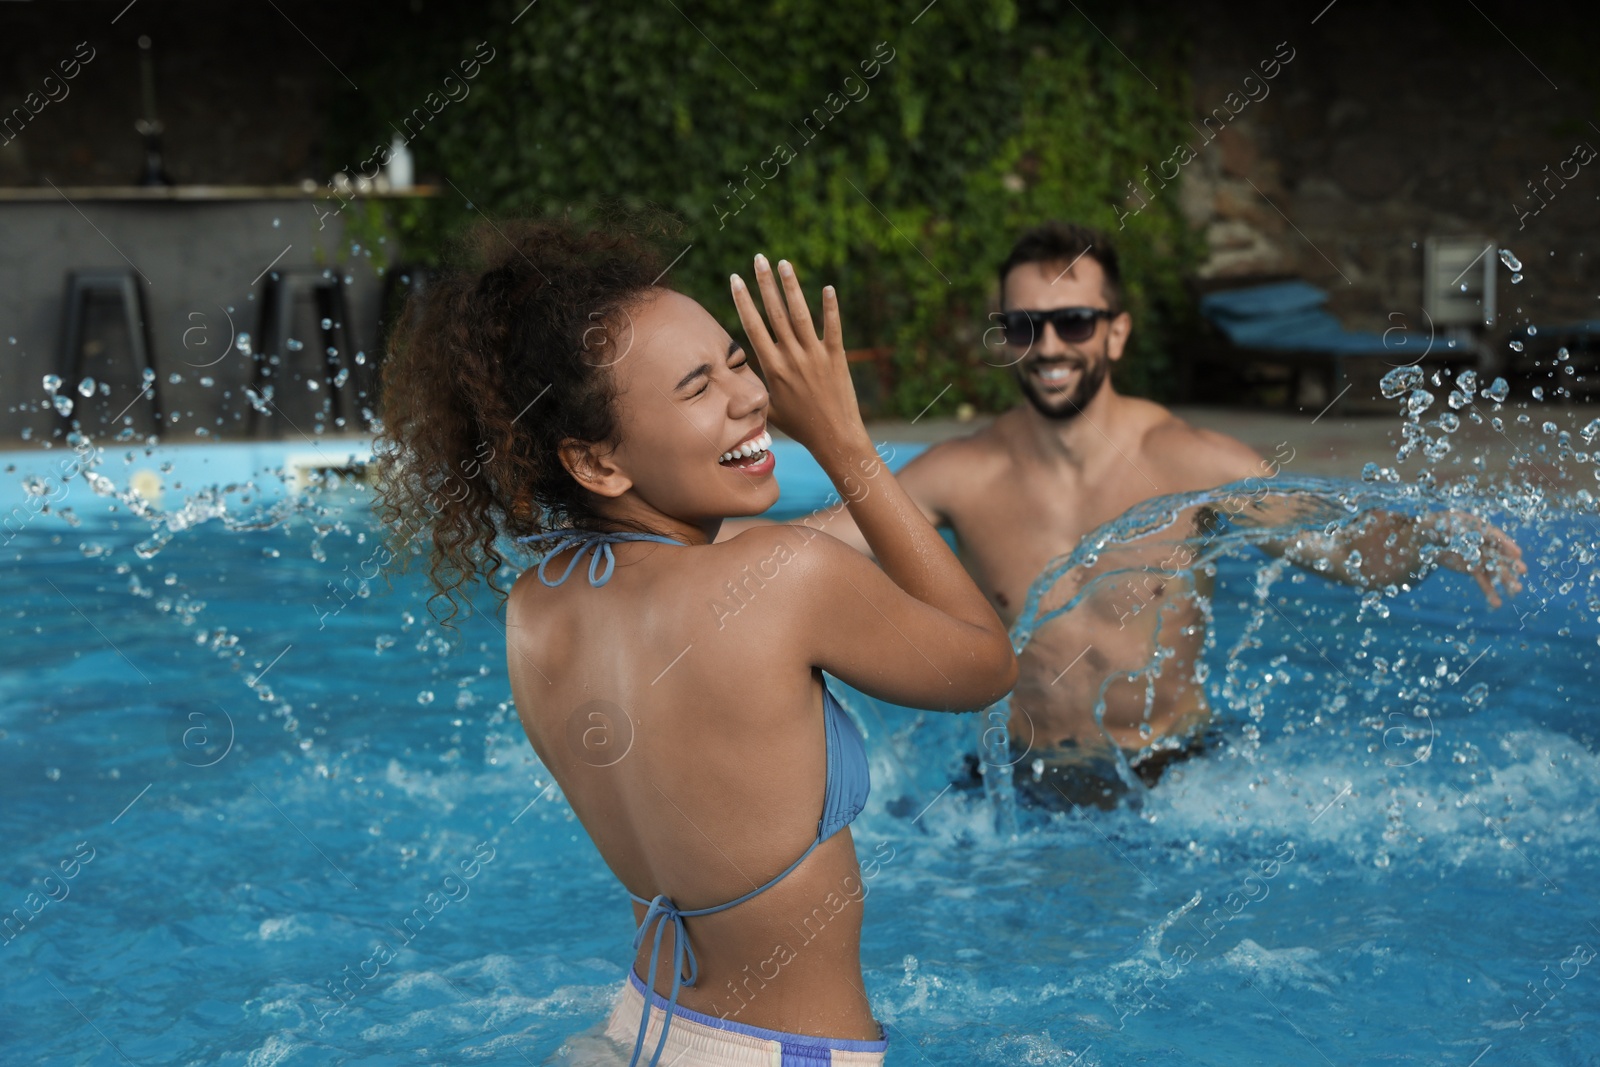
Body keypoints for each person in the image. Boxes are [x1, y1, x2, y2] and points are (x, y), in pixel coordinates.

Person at [371, 216, 1016, 1067]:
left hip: (632, 1031)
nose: (752, 398)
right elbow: (985, 664)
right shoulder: (784, 575)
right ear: (598, 463)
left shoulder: (535, 609)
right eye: (697, 386)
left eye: (738, 361)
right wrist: (845, 444)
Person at [720, 221, 1525, 809]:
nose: (1049, 346)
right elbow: (799, 551)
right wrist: (647, 529)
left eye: (1073, 322)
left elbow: (1349, 550)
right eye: (1023, 326)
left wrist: (1433, 538)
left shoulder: (1196, 465)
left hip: (1172, 780)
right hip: (1020, 786)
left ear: (1117, 332)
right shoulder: (963, 472)